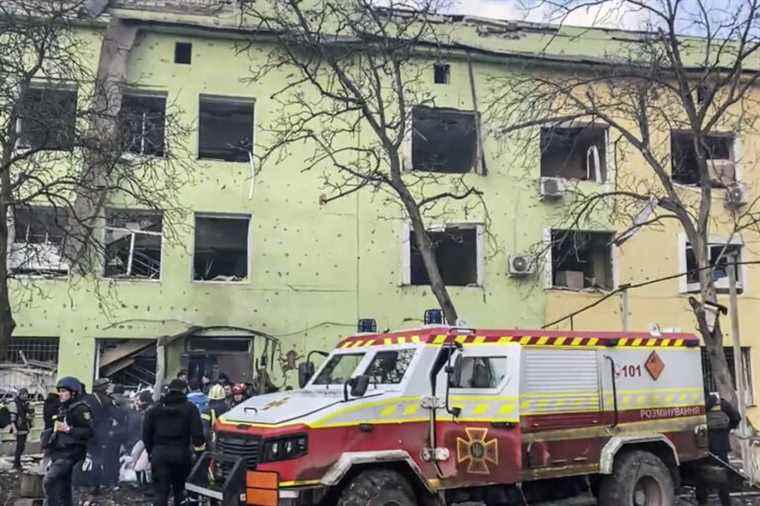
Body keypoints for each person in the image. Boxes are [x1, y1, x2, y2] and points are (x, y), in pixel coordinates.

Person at [143, 379, 205, 506]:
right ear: (184, 390)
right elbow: (198, 434)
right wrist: (198, 451)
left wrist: (151, 452)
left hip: (159, 454)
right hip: (181, 453)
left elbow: (146, 434)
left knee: (160, 492)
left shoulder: (155, 409)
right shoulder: (190, 408)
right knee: (180, 491)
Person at [43, 376, 93, 506]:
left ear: (73, 392)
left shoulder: (80, 409)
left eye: (64, 391)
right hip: (59, 453)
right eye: (59, 391)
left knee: (50, 481)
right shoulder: (63, 407)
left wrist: (69, 429)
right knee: (63, 487)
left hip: (70, 454)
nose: (61, 394)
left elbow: (89, 432)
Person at [696, 392, 741, 506]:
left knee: (701, 475)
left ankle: (702, 503)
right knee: (722, 475)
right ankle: (726, 503)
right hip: (720, 444)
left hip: (701, 443)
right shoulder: (721, 403)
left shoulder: (696, 405)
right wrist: (726, 429)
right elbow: (736, 417)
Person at [10, 388, 33, 470]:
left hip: (24, 426)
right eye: (23, 394)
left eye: (26, 394)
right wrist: (14, 428)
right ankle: (16, 463)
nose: (25, 396)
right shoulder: (15, 403)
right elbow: (12, 417)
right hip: (18, 427)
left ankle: (17, 462)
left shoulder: (25, 404)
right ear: (19, 395)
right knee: (20, 446)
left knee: (22, 446)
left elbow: (31, 414)